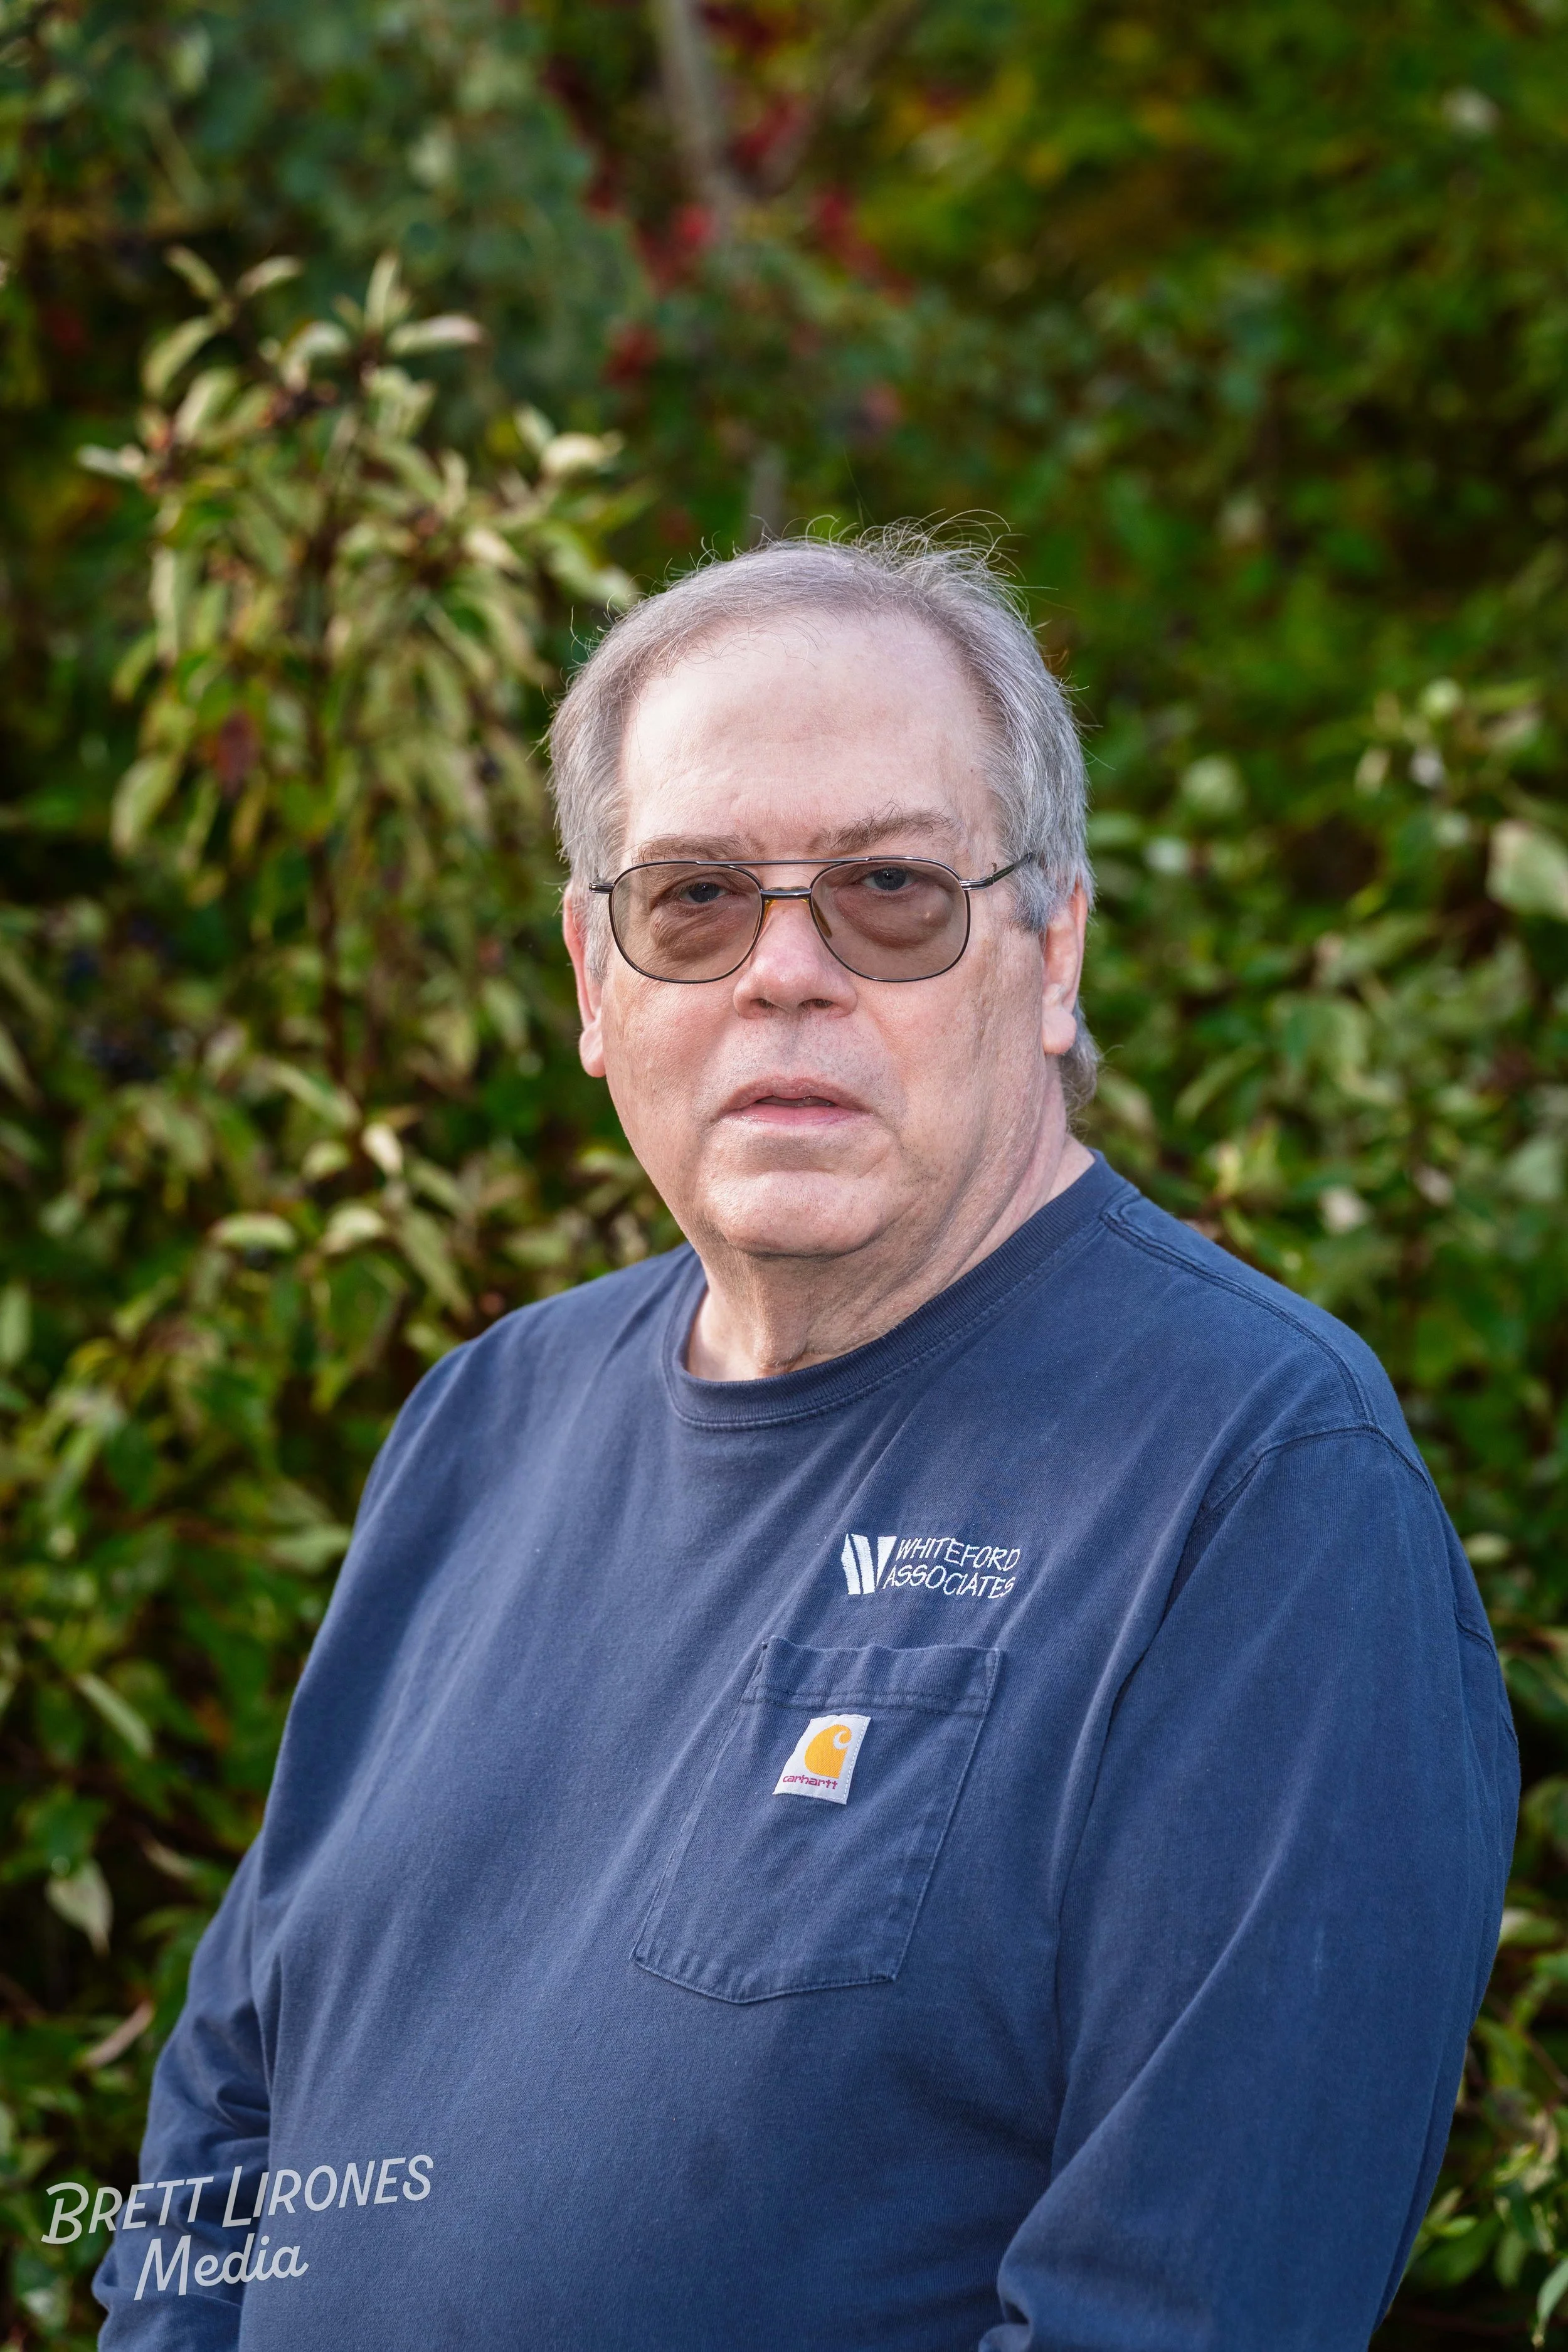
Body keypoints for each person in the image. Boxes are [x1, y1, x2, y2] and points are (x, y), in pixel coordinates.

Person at [95, 531, 1516, 2350]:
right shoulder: (481, 1419)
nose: (785, 970)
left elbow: (1169, 2311)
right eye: (692, 898)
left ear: (1052, 949)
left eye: (888, 890)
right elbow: (229, 2130)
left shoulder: (1257, 1487)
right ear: (595, 982)